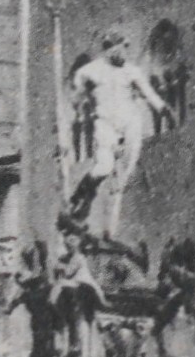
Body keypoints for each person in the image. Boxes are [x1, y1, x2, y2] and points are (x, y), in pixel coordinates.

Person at [68, 29, 169, 234]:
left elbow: (149, 93)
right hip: (105, 125)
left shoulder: (132, 71)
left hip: (130, 123)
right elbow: (76, 97)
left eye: (125, 49)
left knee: (123, 176)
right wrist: (81, 98)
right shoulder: (90, 71)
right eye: (119, 49)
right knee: (103, 167)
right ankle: (81, 197)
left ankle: (109, 227)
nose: (123, 54)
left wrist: (163, 108)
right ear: (109, 49)